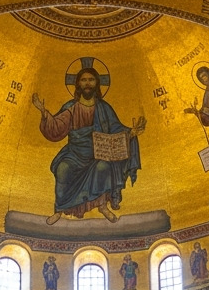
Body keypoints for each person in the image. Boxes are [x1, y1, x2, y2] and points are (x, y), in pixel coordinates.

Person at [32, 65, 145, 224]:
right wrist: (44, 112)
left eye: (91, 80)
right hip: (74, 154)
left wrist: (131, 133)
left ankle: (102, 205)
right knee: (63, 169)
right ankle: (59, 209)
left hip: (98, 153)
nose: (87, 83)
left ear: (97, 83)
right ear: (78, 84)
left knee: (103, 167)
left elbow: (116, 129)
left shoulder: (104, 108)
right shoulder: (71, 108)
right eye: (84, 80)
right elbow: (56, 128)